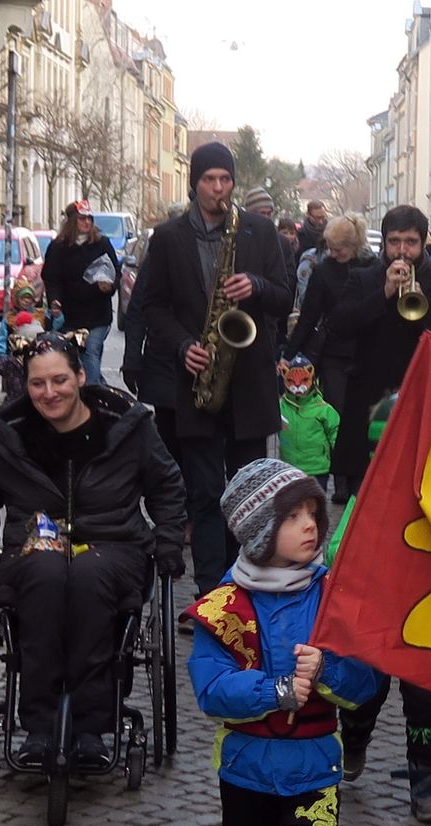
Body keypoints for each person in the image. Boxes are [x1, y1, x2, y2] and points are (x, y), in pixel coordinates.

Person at [186, 459, 379, 826]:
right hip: (244, 773)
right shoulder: (223, 607)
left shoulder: (333, 600)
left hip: (314, 774)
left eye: (314, 515)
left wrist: (329, 673)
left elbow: (368, 683)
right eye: (292, 517)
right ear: (258, 531)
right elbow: (210, 688)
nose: (309, 527)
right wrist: (275, 691)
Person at [0, 333, 188, 768]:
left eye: (60, 380)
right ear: (25, 386)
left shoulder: (128, 426)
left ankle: (90, 726)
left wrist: (168, 542)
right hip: (34, 544)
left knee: (87, 577)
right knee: (47, 575)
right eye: (38, 384)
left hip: (113, 543)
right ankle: (40, 726)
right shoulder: (8, 433)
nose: (50, 393)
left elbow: (166, 485)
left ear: (80, 376)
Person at [134, 141, 294, 597]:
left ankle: (240, 585)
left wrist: (257, 286)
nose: (219, 188)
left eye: (225, 179)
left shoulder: (260, 232)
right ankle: (210, 591)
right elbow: (153, 306)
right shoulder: (167, 238)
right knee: (203, 493)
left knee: (247, 493)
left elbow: (284, 298)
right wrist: (183, 345)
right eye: (210, 179)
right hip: (198, 380)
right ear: (195, 183)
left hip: (249, 381)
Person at [327, 397, 431, 824]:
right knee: (366, 694)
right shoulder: (369, 498)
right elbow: (336, 549)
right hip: (378, 617)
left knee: (425, 698)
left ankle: (426, 780)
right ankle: (355, 741)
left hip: (426, 620)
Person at [328, 204, 431, 501]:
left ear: (423, 242)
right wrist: (385, 294)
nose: (402, 250)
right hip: (368, 403)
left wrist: (424, 303)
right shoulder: (362, 279)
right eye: (394, 241)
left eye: (410, 242)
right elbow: (339, 327)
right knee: (364, 502)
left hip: (422, 401)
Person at [285, 215, 376, 501]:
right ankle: (341, 479)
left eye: (340, 249)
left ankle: (360, 477)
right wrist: (289, 353)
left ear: (355, 244)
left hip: (365, 351)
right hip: (334, 353)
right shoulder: (324, 271)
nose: (334, 253)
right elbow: (309, 315)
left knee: (363, 416)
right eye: (332, 248)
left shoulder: (373, 268)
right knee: (337, 415)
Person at [40, 200, 123, 381]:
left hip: (97, 315)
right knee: (71, 358)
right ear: (71, 221)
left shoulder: (102, 244)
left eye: (90, 219)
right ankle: (95, 390)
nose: (87, 222)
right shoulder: (58, 247)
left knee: (90, 352)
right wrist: (55, 300)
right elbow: (51, 278)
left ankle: (94, 398)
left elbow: (116, 273)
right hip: (70, 315)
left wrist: (109, 286)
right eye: (82, 219)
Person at [277, 355, 339, 491]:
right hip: (289, 470)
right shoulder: (281, 407)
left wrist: (340, 458)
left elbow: (336, 433)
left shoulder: (323, 409)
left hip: (317, 469)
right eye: (291, 381)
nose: (298, 385)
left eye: (304, 380)